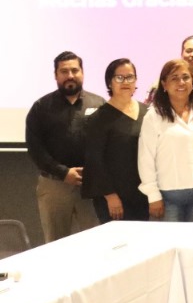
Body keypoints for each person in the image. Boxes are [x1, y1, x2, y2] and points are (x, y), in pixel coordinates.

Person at [26, 51, 105, 242]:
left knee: (97, 242)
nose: (70, 75)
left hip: (91, 186)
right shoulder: (41, 107)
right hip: (54, 185)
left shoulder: (99, 103)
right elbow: (35, 149)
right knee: (55, 244)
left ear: (82, 73)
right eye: (64, 71)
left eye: (74, 70)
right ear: (56, 75)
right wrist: (63, 173)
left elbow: (106, 144)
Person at [138, 59, 193, 222]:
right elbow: (146, 158)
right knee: (169, 239)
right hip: (168, 195)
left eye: (185, 77)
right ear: (164, 84)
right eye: (174, 78)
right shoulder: (154, 115)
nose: (181, 82)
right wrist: (153, 195)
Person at [82, 58, 149, 223]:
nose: (125, 82)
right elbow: (94, 161)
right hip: (114, 198)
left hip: (143, 194)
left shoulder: (147, 112)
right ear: (109, 83)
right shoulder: (98, 118)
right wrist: (110, 195)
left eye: (130, 77)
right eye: (119, 78)